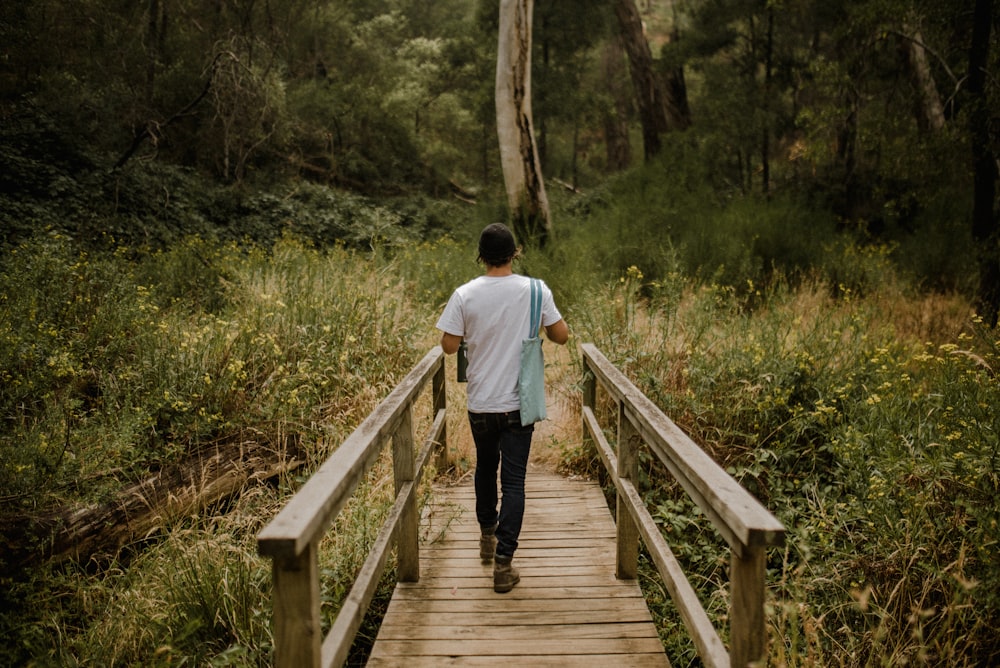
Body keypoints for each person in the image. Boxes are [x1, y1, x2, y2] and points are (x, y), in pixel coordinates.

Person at [436, 223, 569, 593]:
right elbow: (561, 336)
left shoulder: (464, 295)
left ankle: (486, 534)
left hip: (481, 403)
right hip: (518, 404)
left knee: (484, 467)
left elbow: (449, 345)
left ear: (480, 256)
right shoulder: (536, 290)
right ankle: (504, 563)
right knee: (513, 483)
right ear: (515, 253)